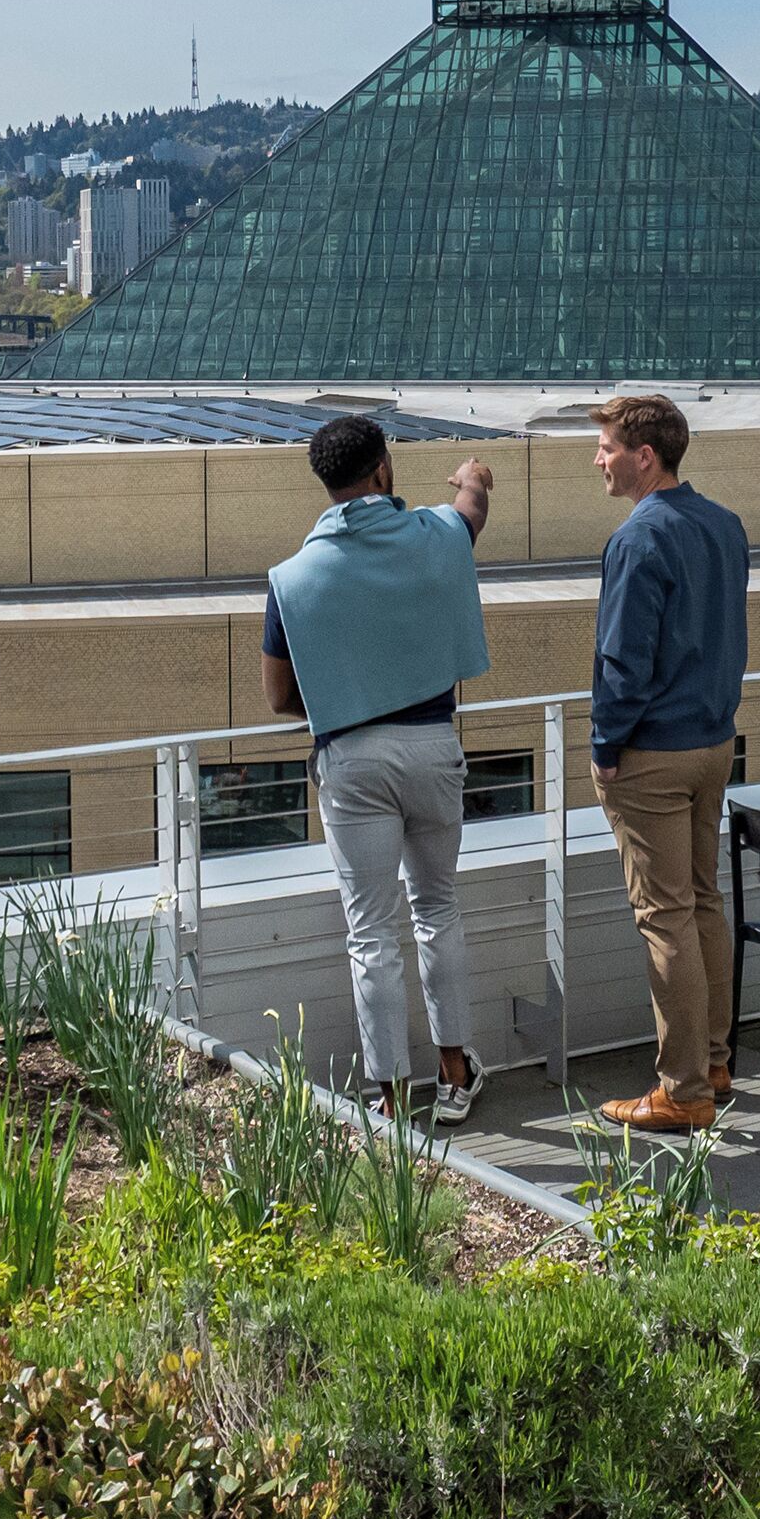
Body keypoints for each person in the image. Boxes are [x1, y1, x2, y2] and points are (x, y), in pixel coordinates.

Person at [261, 413, 493, 1120]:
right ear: (384, 471)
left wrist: (352, 687)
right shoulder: (434, 534)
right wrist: (472, 476)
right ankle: (455, 1073)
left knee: (370, 931)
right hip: (432, 745)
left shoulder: (293, 576)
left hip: (353, 758)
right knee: (437, 908)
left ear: (326, 484)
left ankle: (388, 1098)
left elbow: (279, 697)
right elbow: (472, 510)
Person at [586, 391, 750, 1132]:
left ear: (643, 456)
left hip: (652, 753)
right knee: (704, 902)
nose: (600, 460)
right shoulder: (724, 525)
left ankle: (683, 1092)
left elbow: (624, 663)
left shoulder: (637, 540)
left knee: (666, 917)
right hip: (714, 742)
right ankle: (713, 1061)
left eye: (608, 449)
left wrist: (604, 747)